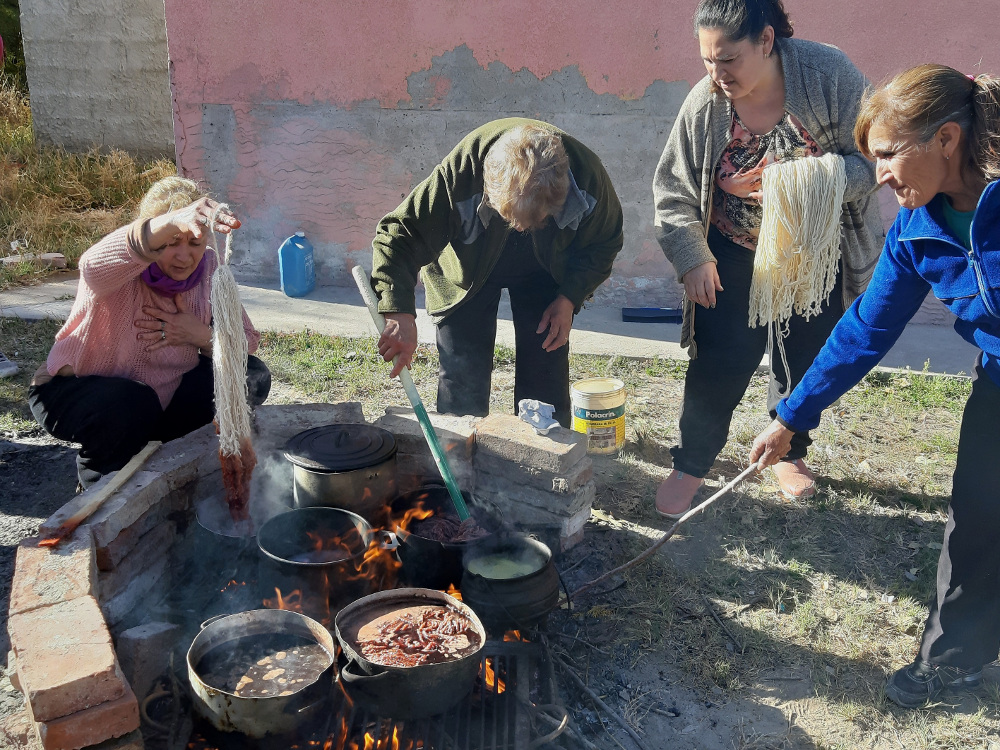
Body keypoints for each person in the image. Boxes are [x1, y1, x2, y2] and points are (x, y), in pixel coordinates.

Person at [750, 64, 1000, 708]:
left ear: (946, 140)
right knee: (975, 519)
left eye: (888, 154)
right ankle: (954, 661)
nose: (881, 175)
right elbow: (863, 331)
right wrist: (790, 417)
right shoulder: (917, 232)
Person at [651, 0, 882, 517]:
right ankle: (691, 463)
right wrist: (693, 258)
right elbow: (671, 190)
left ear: (767, 41)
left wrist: (795, 183)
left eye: (728, 59)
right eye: (707, 60)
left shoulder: (829, 75)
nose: (717, 74)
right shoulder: (705, 103)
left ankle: (791, 451)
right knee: (719, 360)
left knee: (803, 352)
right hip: (730, 251)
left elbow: (874, 159)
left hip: (814, 252)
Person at [370, 118, 624, 427]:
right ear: (488, 187)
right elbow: (398, 235)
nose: (519, 228)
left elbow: (604, 243)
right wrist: (399, 312)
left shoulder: (587, 177)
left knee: (545, 368)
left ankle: (544, 460)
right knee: (463, 376)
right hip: (466, 270)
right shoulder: (461, 175)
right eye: (511, 217)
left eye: (531, 221)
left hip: (545, 273)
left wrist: (569, 298)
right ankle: (459, 461)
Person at [28, 176, 271, 489]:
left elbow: (247, 340)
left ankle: (161, 452)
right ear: (153, 235)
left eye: (194, 242)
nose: (184, 257)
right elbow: (90, 266)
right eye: (171, 242)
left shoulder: (209, 268)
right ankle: (97, 481)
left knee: (249, 374)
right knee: (130, 402)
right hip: (78, 390)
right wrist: (170, 222)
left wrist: (199, 335)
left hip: (160, 397)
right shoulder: (122, 265)